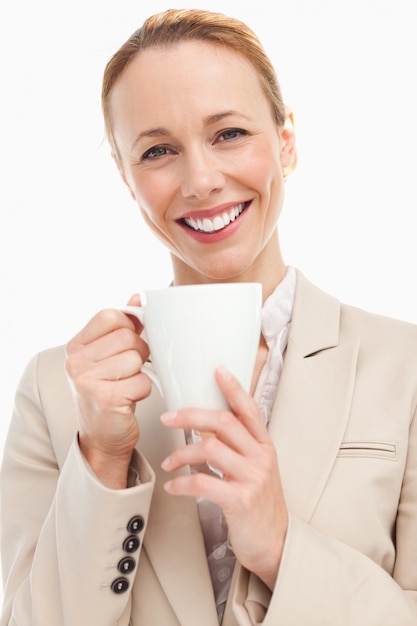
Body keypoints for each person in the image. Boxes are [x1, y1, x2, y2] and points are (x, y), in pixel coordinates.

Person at [1, 7, 416, 625]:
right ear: (125, 177)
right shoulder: (56, 390)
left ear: (286, 141)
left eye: (229, 134)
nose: (201, 180)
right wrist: (102, 462)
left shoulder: (403, 367)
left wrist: (282, 548)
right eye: (158, 150)